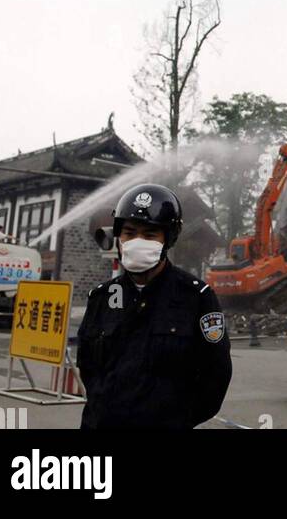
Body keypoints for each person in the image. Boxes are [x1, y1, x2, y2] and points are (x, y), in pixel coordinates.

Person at [76, 184, 232, 432]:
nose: (137, 242)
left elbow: (216, 374)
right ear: (118, 236)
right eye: (129, 232)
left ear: (168, 239)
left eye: (150, 235)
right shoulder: (101, 298)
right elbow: (87, 367)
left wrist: (177, 420)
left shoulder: (196, 298)